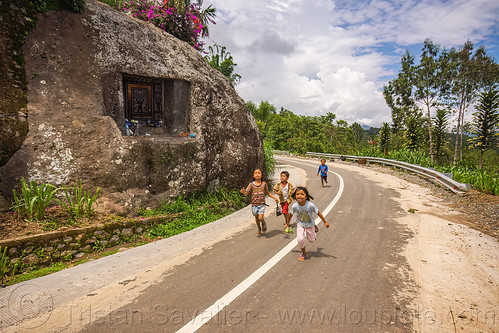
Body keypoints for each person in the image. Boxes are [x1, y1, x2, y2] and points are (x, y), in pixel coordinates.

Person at [286, 187, 330, 261]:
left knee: (311, 240)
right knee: (300, 239)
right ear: (295, 196)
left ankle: (314, 227)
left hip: (310, 225)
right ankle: (304, 253)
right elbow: (290, 214)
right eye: (297, 194)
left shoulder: (310, 205)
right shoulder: (295, 206)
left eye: (302, 194)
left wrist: (325, 222)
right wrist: (288, 223)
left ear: (306, 196)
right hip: (300, 224)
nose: (299, 196)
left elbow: (318, 212)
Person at [240, 169, 279, 237]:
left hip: (262, 204)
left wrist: (275, 198)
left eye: (259, 173)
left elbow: (268, 193)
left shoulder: (264, 184)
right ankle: (259, 229)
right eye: (256, 173)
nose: (257, 174)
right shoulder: (251, 184)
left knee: (260, 218)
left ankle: (263, 223)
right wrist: (243, 192)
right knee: (256, 218)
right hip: (254, 204)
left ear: (261, 175)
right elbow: (246, 193)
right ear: (253, 175)